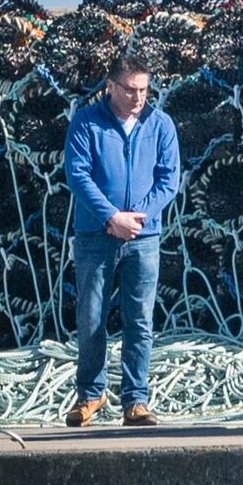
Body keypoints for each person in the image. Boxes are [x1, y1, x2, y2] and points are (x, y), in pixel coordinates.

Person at [63, 53, 180, 427]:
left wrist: (137, 219)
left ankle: (136, 400)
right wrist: (111, 217)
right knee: (91, 317)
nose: (138, 98)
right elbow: (78, 175)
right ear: (110, 86)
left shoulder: (160, 125)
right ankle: (90, 394)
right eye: (130, 90)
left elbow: (168, 179)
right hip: (96, 236)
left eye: (144, 89)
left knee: (139, 320)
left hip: (144, 238)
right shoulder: (86, 123)